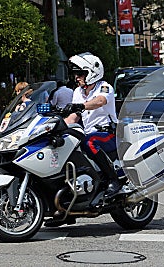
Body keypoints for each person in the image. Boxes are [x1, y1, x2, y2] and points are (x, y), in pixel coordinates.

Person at [63, 52, 120, 198]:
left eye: (80, 74)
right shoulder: (77, 92)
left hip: (109, 134)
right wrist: (56, 126)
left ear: (92, 73)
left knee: (90, 142)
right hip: (88, 134)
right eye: (76, 74)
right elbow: (73, 117)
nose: (77, 77)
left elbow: (100, 101)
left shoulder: (104, 87)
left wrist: (81, 106)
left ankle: (113, 180)